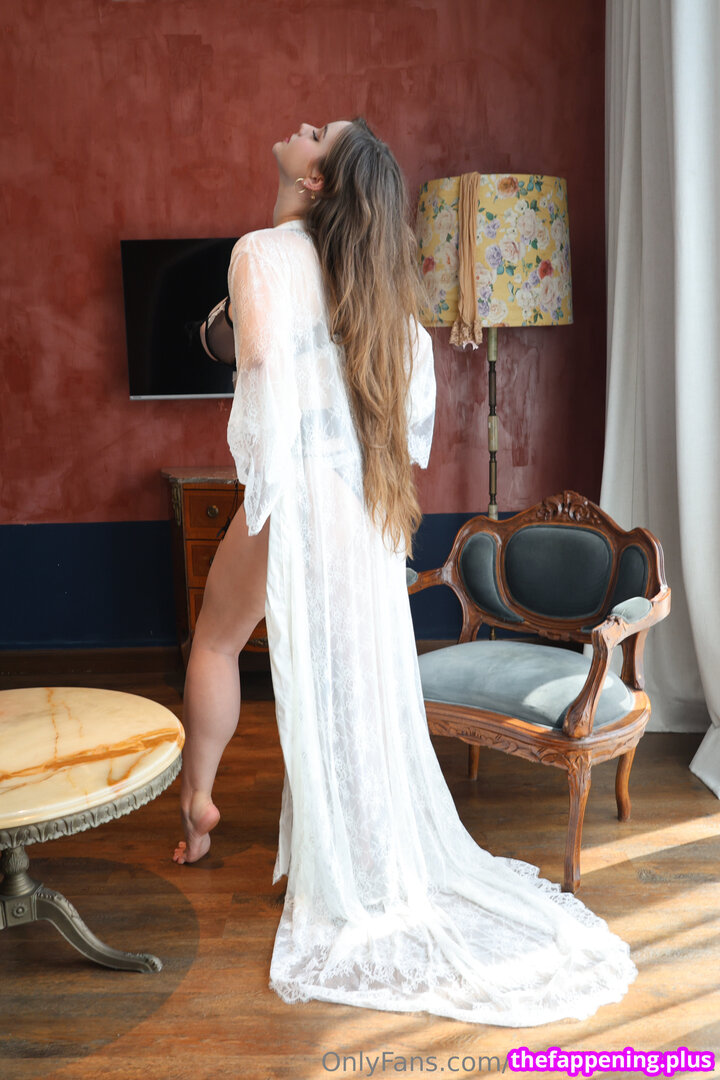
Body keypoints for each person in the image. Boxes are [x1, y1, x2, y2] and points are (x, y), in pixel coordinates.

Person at [174, 117, 638, 1024]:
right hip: (364, 512)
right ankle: (366, 841)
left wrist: (234, 306)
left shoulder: (262, 253)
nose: (303, 127)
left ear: (316, 183)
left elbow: (255, 358)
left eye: (318, 134)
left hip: (297, 500)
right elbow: (406, 418)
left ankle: (198, 808)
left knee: (219, 640)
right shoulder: (384, 287)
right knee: (359, 685)